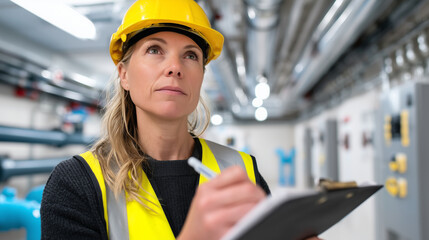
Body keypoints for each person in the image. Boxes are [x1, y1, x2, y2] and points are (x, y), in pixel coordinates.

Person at [41, 0, 320, 239]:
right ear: (123, 74)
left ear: (200, 77)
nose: (175, 67)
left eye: (190, 55)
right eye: (154, 50)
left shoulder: (242, 169)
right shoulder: (76, 184)